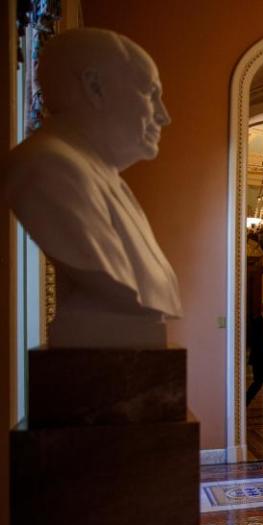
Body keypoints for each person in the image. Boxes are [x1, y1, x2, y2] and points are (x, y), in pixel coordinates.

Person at [1, 28, 180, 348]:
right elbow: (119, 281)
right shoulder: (47, 168)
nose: (163, 116)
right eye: (151, 94)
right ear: (95, 87)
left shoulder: (106, 178)